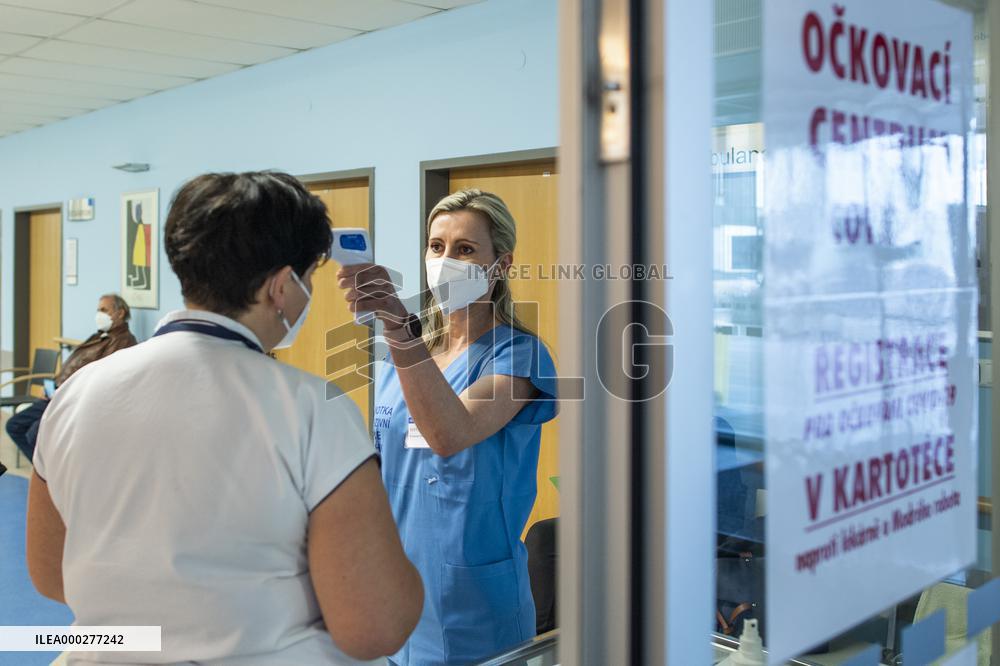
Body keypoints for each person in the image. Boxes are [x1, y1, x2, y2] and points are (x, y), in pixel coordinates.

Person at [26, 172, 423, 665]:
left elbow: (50, 575)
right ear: (281, 287)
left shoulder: (76, 394)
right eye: (308, 279)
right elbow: (373, 626)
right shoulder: (310, 408)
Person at [337, 189, 558, 665]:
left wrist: (397, 328)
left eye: (465, 249)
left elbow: (449, 433)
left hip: (473, 603)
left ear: (501, 264)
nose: (445, 261)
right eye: (436, 247)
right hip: (397, 590)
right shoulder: (417, 359)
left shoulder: (518, 356)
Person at [6, 294, 137, 461]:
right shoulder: (99, 336)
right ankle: (46, 475)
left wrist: (63, 393)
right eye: (98, 310)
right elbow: (72, 366)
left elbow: (101, 378)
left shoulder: (123, 342)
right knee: (14, 426)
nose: (99, 315)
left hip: (72, 400)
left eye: (104, 310)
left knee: (34, 434)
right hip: (56, 394)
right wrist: (51, 387)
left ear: (120, 313)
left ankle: (49, 475)